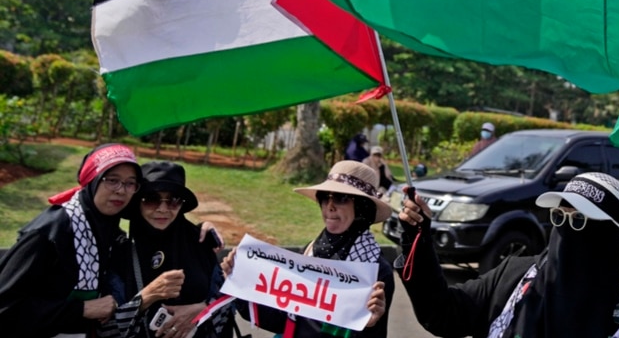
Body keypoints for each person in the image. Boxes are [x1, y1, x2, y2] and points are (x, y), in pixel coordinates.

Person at [396, 172, 619, 337]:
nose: (566, 230)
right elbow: (443, 314)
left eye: (579, 219)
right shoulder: (514, 276)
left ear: (610, 235)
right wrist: (416, 241)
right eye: (559, 216)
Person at [222, 161, 392, 337]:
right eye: (325, 197)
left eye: (341, 198)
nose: (330, 206)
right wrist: (238, 284)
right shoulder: (309, 252)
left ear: (362, 207)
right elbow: (282, 320)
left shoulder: (377, 270)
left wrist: (370, 324)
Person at [0, 143, 142, 337]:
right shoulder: (49, 234)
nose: (121, 190)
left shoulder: (109, 232)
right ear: (92, 180)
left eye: (130, 183)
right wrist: (82, 309)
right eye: (112, 180)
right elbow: (5, 307)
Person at [103, 161, 233, 338]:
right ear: (137, 204)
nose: (163, 209)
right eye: (151, 199)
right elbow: (107, 329)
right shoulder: (120, 254)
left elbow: (226, 308)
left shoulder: (200, 243)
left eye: (173, 200)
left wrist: (201, 310)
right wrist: (147, 296)